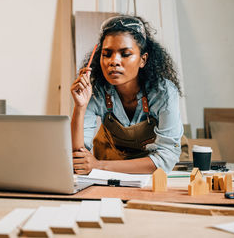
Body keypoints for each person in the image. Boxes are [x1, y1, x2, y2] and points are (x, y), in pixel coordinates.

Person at [70, 14, 183, 175]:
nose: (113, 61)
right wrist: (79, 107)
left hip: (156, 177)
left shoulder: (163, 92)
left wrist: (99, 166)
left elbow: (166, 159)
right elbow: (78, 159)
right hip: (112, 174)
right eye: (107, 54)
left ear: (143, 60)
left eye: (125, 54)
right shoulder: (94, 90)